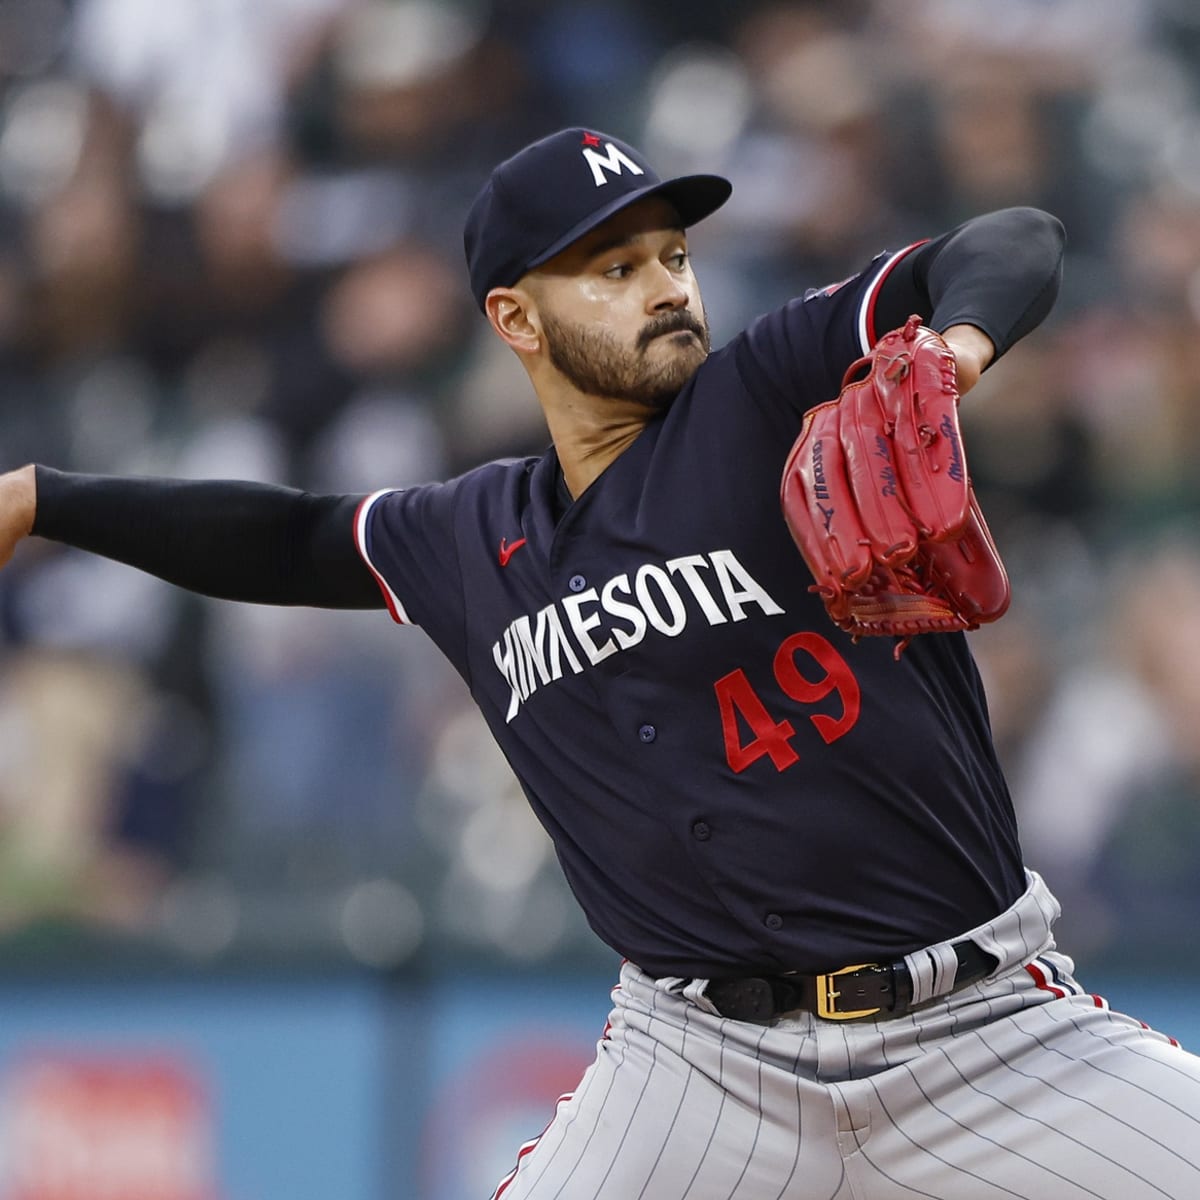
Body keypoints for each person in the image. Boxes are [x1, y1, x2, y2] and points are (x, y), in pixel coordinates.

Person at [2, 128, 1199, 1200]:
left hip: (983, 1034)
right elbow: (289, 536)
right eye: (615, 270)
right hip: (699, 1072)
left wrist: (958, 346)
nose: (668, 287)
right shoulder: (471, 536)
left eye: (673, 255)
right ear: (516, 319)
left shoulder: (765, 394)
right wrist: (46, 497)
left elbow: (1011, 237)